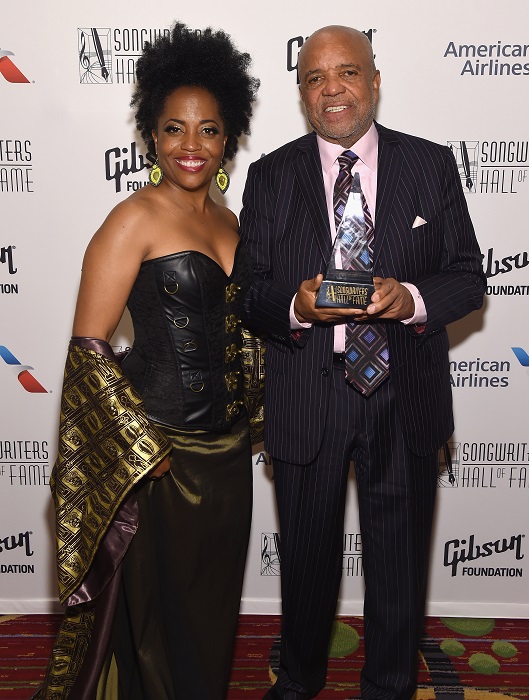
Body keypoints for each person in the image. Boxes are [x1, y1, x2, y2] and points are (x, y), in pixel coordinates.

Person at [240, 25, 485, 700]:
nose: (332, 90)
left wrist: (408, 297)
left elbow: (467, 278)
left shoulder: (429, 165)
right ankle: (297, 683)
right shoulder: (269, 176)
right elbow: (247, 293)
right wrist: (293, 306)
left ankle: (389, 687)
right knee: (308, 568)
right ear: (300, 94)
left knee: (399, 570)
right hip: (307, 395)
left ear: (373, 82)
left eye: (346, 73)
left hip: (402, 394)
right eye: (315, 79)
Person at [36, 22, 259, 700]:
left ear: (229, 137)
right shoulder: (132, 218)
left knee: (209, 613)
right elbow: (88, 348)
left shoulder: (231, 223)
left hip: (227, 457)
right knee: (154, 625)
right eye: (174, 129)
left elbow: (241, 333)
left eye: (208, 129)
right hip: (157, 457)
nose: (191, 145)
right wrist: (140, 445)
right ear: (151, 135)